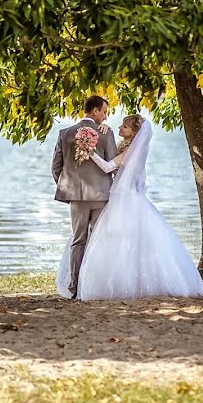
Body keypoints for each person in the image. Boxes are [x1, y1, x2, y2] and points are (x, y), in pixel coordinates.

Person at [55, 114, 203, 301]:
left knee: (118, 241)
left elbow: (107, 166)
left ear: (134, 132)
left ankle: (110, 281)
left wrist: (90, 150)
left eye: (124, 127)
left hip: (124, 199)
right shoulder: (131, 149)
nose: (120, 129)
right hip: (122, 197)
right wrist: (104, 129)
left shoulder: (130, 153)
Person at [51, 95, 119, 299]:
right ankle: (96, 285)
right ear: (95, 111)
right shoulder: (106, 134)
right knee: (98, 240)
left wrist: (69, 187)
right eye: (104, 112)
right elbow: (114, 163)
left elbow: (56, 167)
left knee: (78, 240)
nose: (105, 117)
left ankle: (75, 286)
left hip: (77, 198)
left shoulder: (65, 133)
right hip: (101, 195)